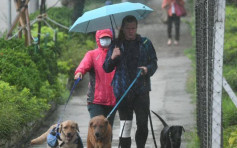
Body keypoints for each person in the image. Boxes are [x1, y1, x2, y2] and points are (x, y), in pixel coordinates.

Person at [103, 15, 158, 148]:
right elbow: (106, 68)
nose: (131, 31)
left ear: (136, 28)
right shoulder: (116, 45)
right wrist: (112, 57)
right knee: (125, 126)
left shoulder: (145, 43)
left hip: (141, 91)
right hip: (123, 92)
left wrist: (147, 69)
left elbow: (154, 63)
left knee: (143, 124)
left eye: (133, 28)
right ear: (122, 29)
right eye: (128, 28)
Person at [74, 29, 116, 127]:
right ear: (98, 39)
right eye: (103, 38)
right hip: (95, 100)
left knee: (108, 131)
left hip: (113, 100)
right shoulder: (92, 54)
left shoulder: (116, 54)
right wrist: (79, 72)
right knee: (97, 130)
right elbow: (84, 65)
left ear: (112, 38)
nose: (105, 40)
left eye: (107, 38)